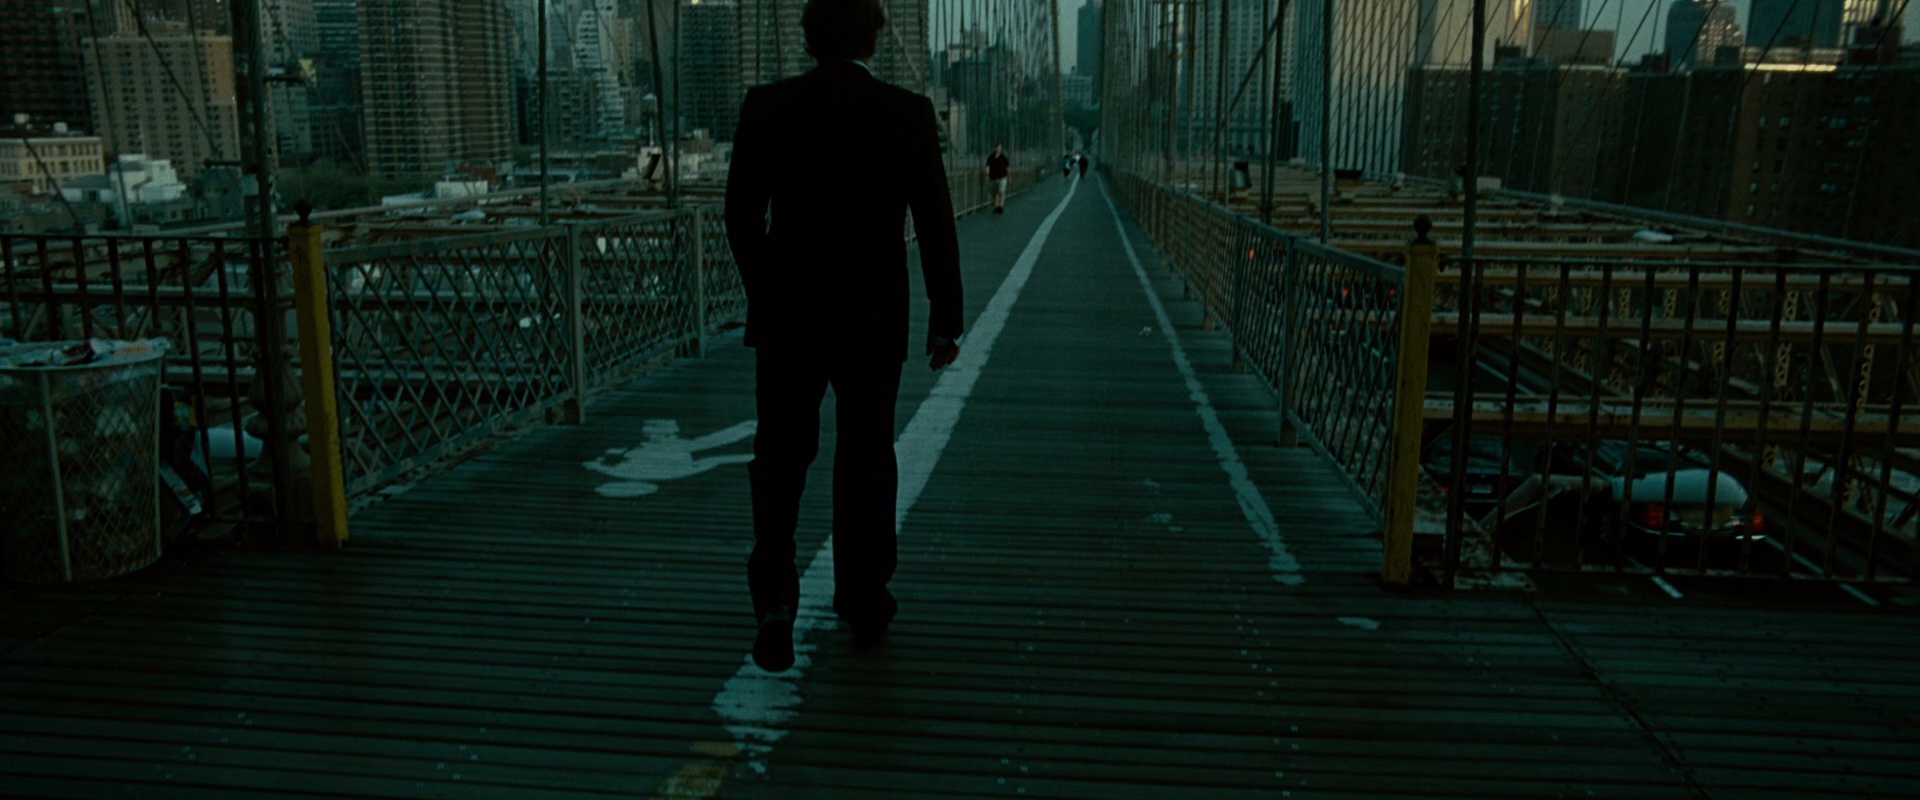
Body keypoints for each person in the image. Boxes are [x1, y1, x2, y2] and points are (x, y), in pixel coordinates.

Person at [725, 0, 964, 673]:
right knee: (866, 459)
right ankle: (863, 602)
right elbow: (936, 222)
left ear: (807, 39)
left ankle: (775, 600)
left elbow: (740, 214)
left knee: (780, 458)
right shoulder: (907, 112)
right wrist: (946, 318)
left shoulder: (767, 106)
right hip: (872, 318)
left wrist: (768, 286)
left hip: (788, 316)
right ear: (875, 38)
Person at [986, 144, 1010, 214]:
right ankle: (996, 206)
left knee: (1001, 191)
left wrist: (1009, 176)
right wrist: (987, 175)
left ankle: (1001, 206)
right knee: (995, 192)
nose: (998, 149)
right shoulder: (990, 157)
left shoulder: (1004, 157)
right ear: (995, 148)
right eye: (997, 148)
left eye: (1000, 148)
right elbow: (987, 166)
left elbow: (1008, 167)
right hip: (993, 178)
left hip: (1002, 177)